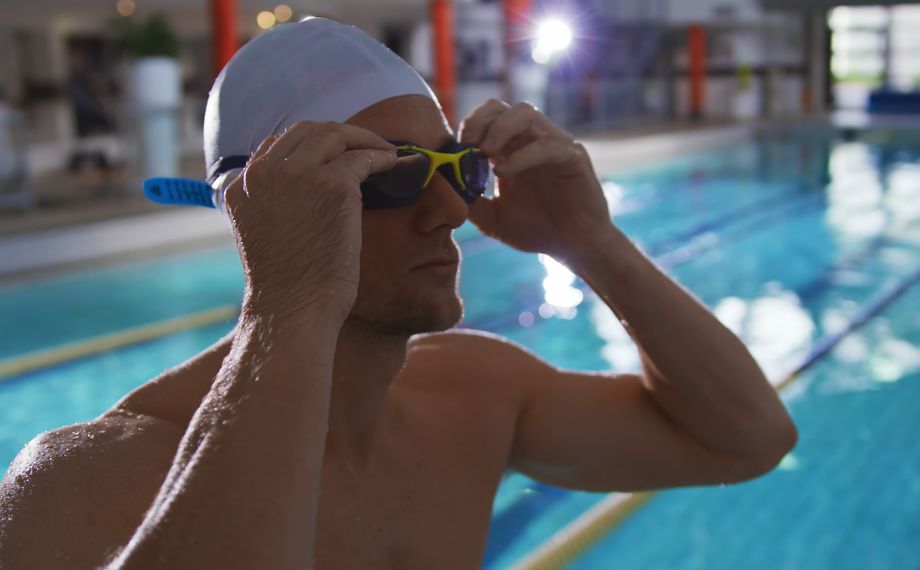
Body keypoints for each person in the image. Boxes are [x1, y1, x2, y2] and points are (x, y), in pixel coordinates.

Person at [0, 19, 796, 569]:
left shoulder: (473, 395)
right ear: (257, 211)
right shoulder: (89, 478)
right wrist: (293, 304)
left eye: (456, 167)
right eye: (385, 175)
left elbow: (747, 440)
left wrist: (590, 241)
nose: (450, 209)